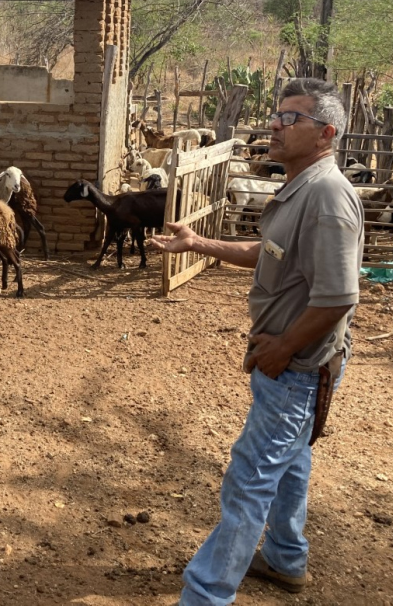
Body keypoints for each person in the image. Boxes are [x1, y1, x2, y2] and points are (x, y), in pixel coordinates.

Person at [148, 78, 364, 605]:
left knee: (249, 482)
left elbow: (338, 298)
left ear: (326, 133)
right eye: (277, 115)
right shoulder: (301, 189)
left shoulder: (328, 197)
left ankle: (205, 595)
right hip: (290, 367)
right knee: (289, 463)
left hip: (296, 367)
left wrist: (283, 346)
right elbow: (269, 252)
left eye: (292, 119)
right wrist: (199, 242)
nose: (275, 124)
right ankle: (287, 559)